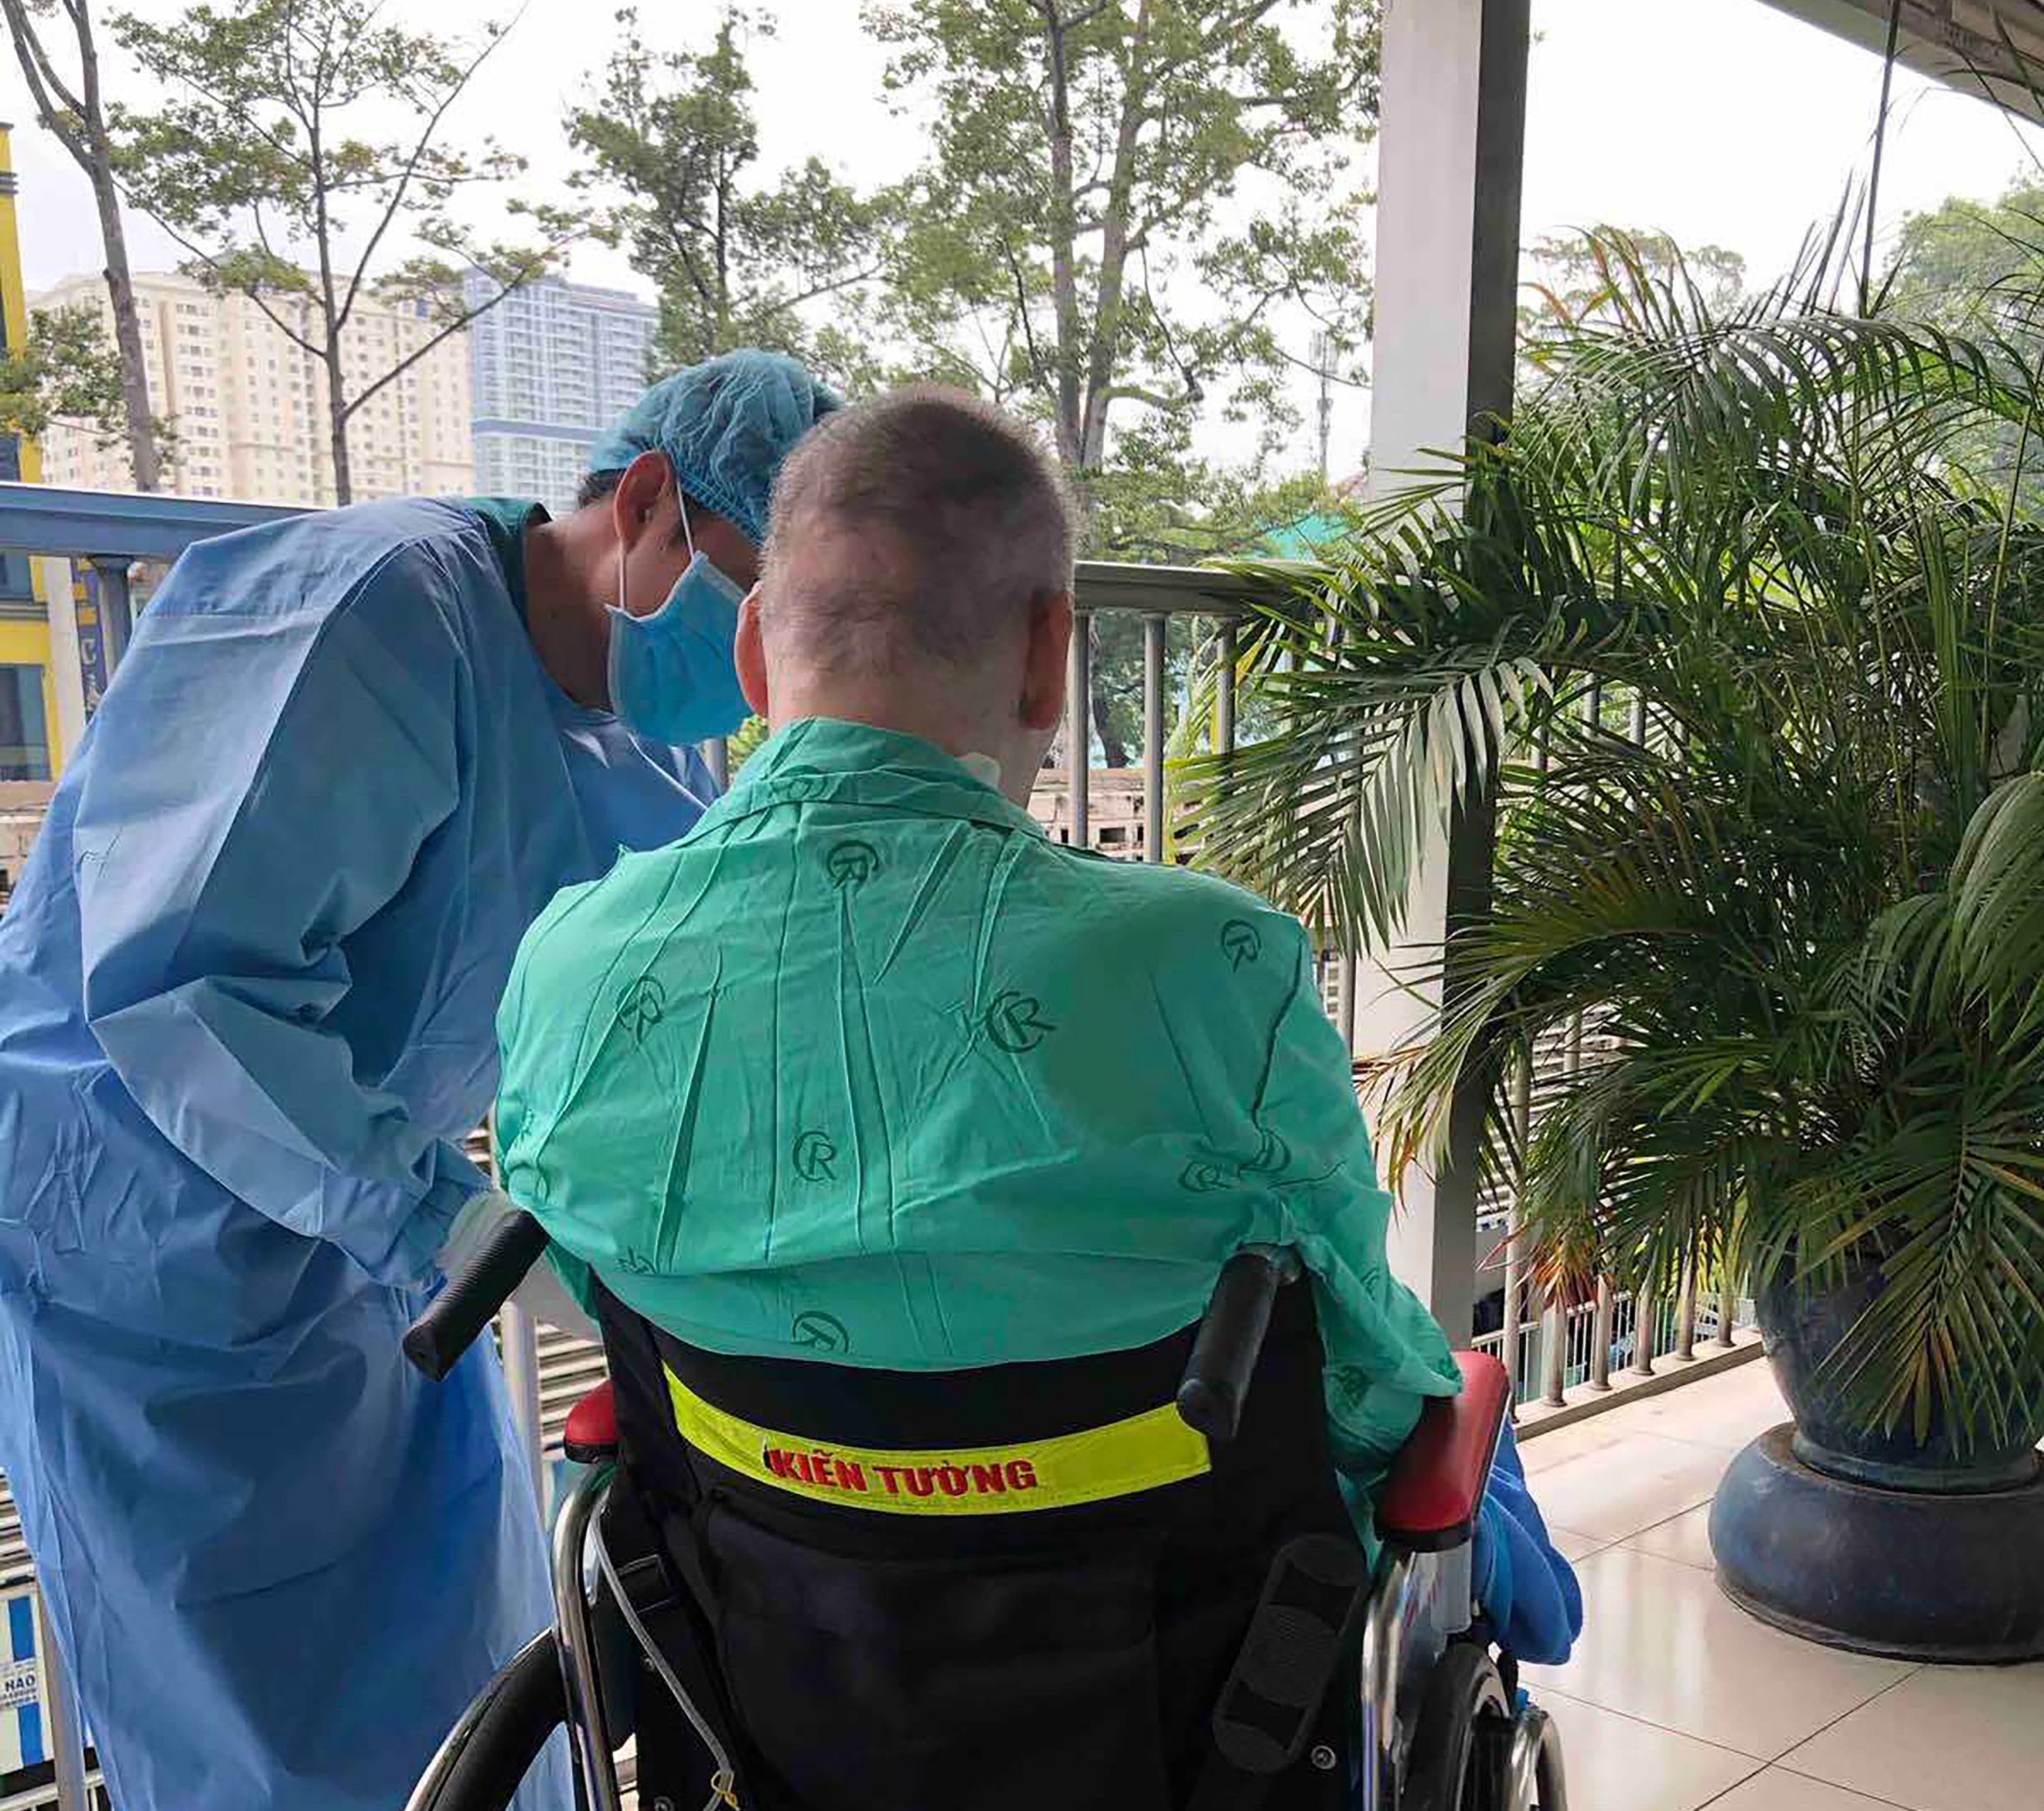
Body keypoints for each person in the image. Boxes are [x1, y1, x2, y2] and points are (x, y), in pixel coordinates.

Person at [0, 348, 838, 1811]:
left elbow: (694, 989)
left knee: (457, 1650)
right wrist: (420, 1212)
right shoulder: (370, 616)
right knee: (246, 1698)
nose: (747, 668)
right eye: (742, 598)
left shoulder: (632, 760)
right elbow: (182, 987)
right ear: (640, 506)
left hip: (368, 1247)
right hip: (139, 1230)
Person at [493, 384, 1579, 1671]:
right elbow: (1355, 1378)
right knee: (1462, 1420)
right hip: (1170, 1701)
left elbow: (586, 1279)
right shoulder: (1213, 966)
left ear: (750, 659)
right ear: (1049, 652)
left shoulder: (571, 961)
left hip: (787, 1669)